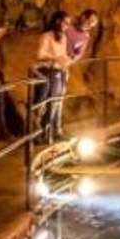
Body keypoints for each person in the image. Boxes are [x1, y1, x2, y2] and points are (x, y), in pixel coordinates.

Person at [33, 10, 73, 142]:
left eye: (68, 24)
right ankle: (37, 134)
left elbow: (63, 54)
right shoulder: (46, 36)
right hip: (45, 72)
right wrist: (55, 58)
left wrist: (67, 59)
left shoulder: (63, 38)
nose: (67, 26)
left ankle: (48, 132)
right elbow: (39, 55)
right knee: (42, 103)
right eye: (65, 22)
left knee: (54, 103)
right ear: (57, 21)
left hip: (57, 72)